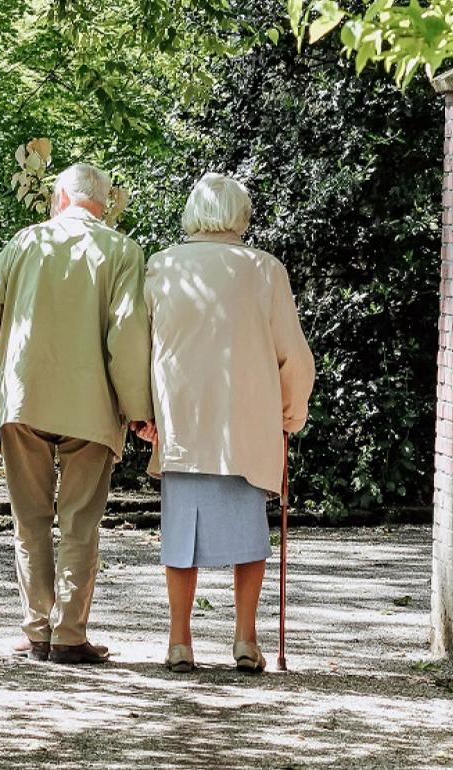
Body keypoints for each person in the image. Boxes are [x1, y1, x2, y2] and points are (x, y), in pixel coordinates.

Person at [0, 163, 154, 665]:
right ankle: (69, 635)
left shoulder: (25, 243)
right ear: (103, 203)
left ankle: (36, 630)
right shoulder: (122, 251)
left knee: (30, 520)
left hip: (25, 398)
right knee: (80, 522)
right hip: (92, 405)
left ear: (60, 198)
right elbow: (128, 334)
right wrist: (138, 410)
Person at [141, 172, 315, 673]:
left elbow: (141, 347)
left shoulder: (163, 266)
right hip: (246, 422)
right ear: (241, 215)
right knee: (248, 534)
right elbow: (294, 357)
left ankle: (179, 641)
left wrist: (143, 412)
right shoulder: (264, 270)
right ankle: (244, 638)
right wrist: (290, 411)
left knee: (180, 535)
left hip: (183, 420)